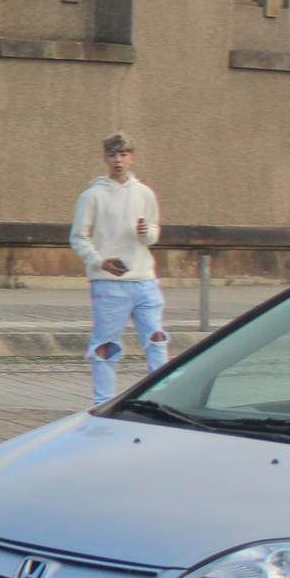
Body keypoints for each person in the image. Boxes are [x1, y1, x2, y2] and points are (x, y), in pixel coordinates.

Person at [69, 132, 166, 403]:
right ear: (105, 158)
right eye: (113, 155)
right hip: (110, 283)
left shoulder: (144, 193)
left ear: (132, 158)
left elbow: (153, 233)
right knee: (106, 343)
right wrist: (100, 262)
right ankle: (103, 400)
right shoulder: (92, 196)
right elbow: (79, 237)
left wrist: (146, 233)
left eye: (123, 155)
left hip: (144, 279)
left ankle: (159, 396)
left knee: (156, 338)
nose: (118, 160)